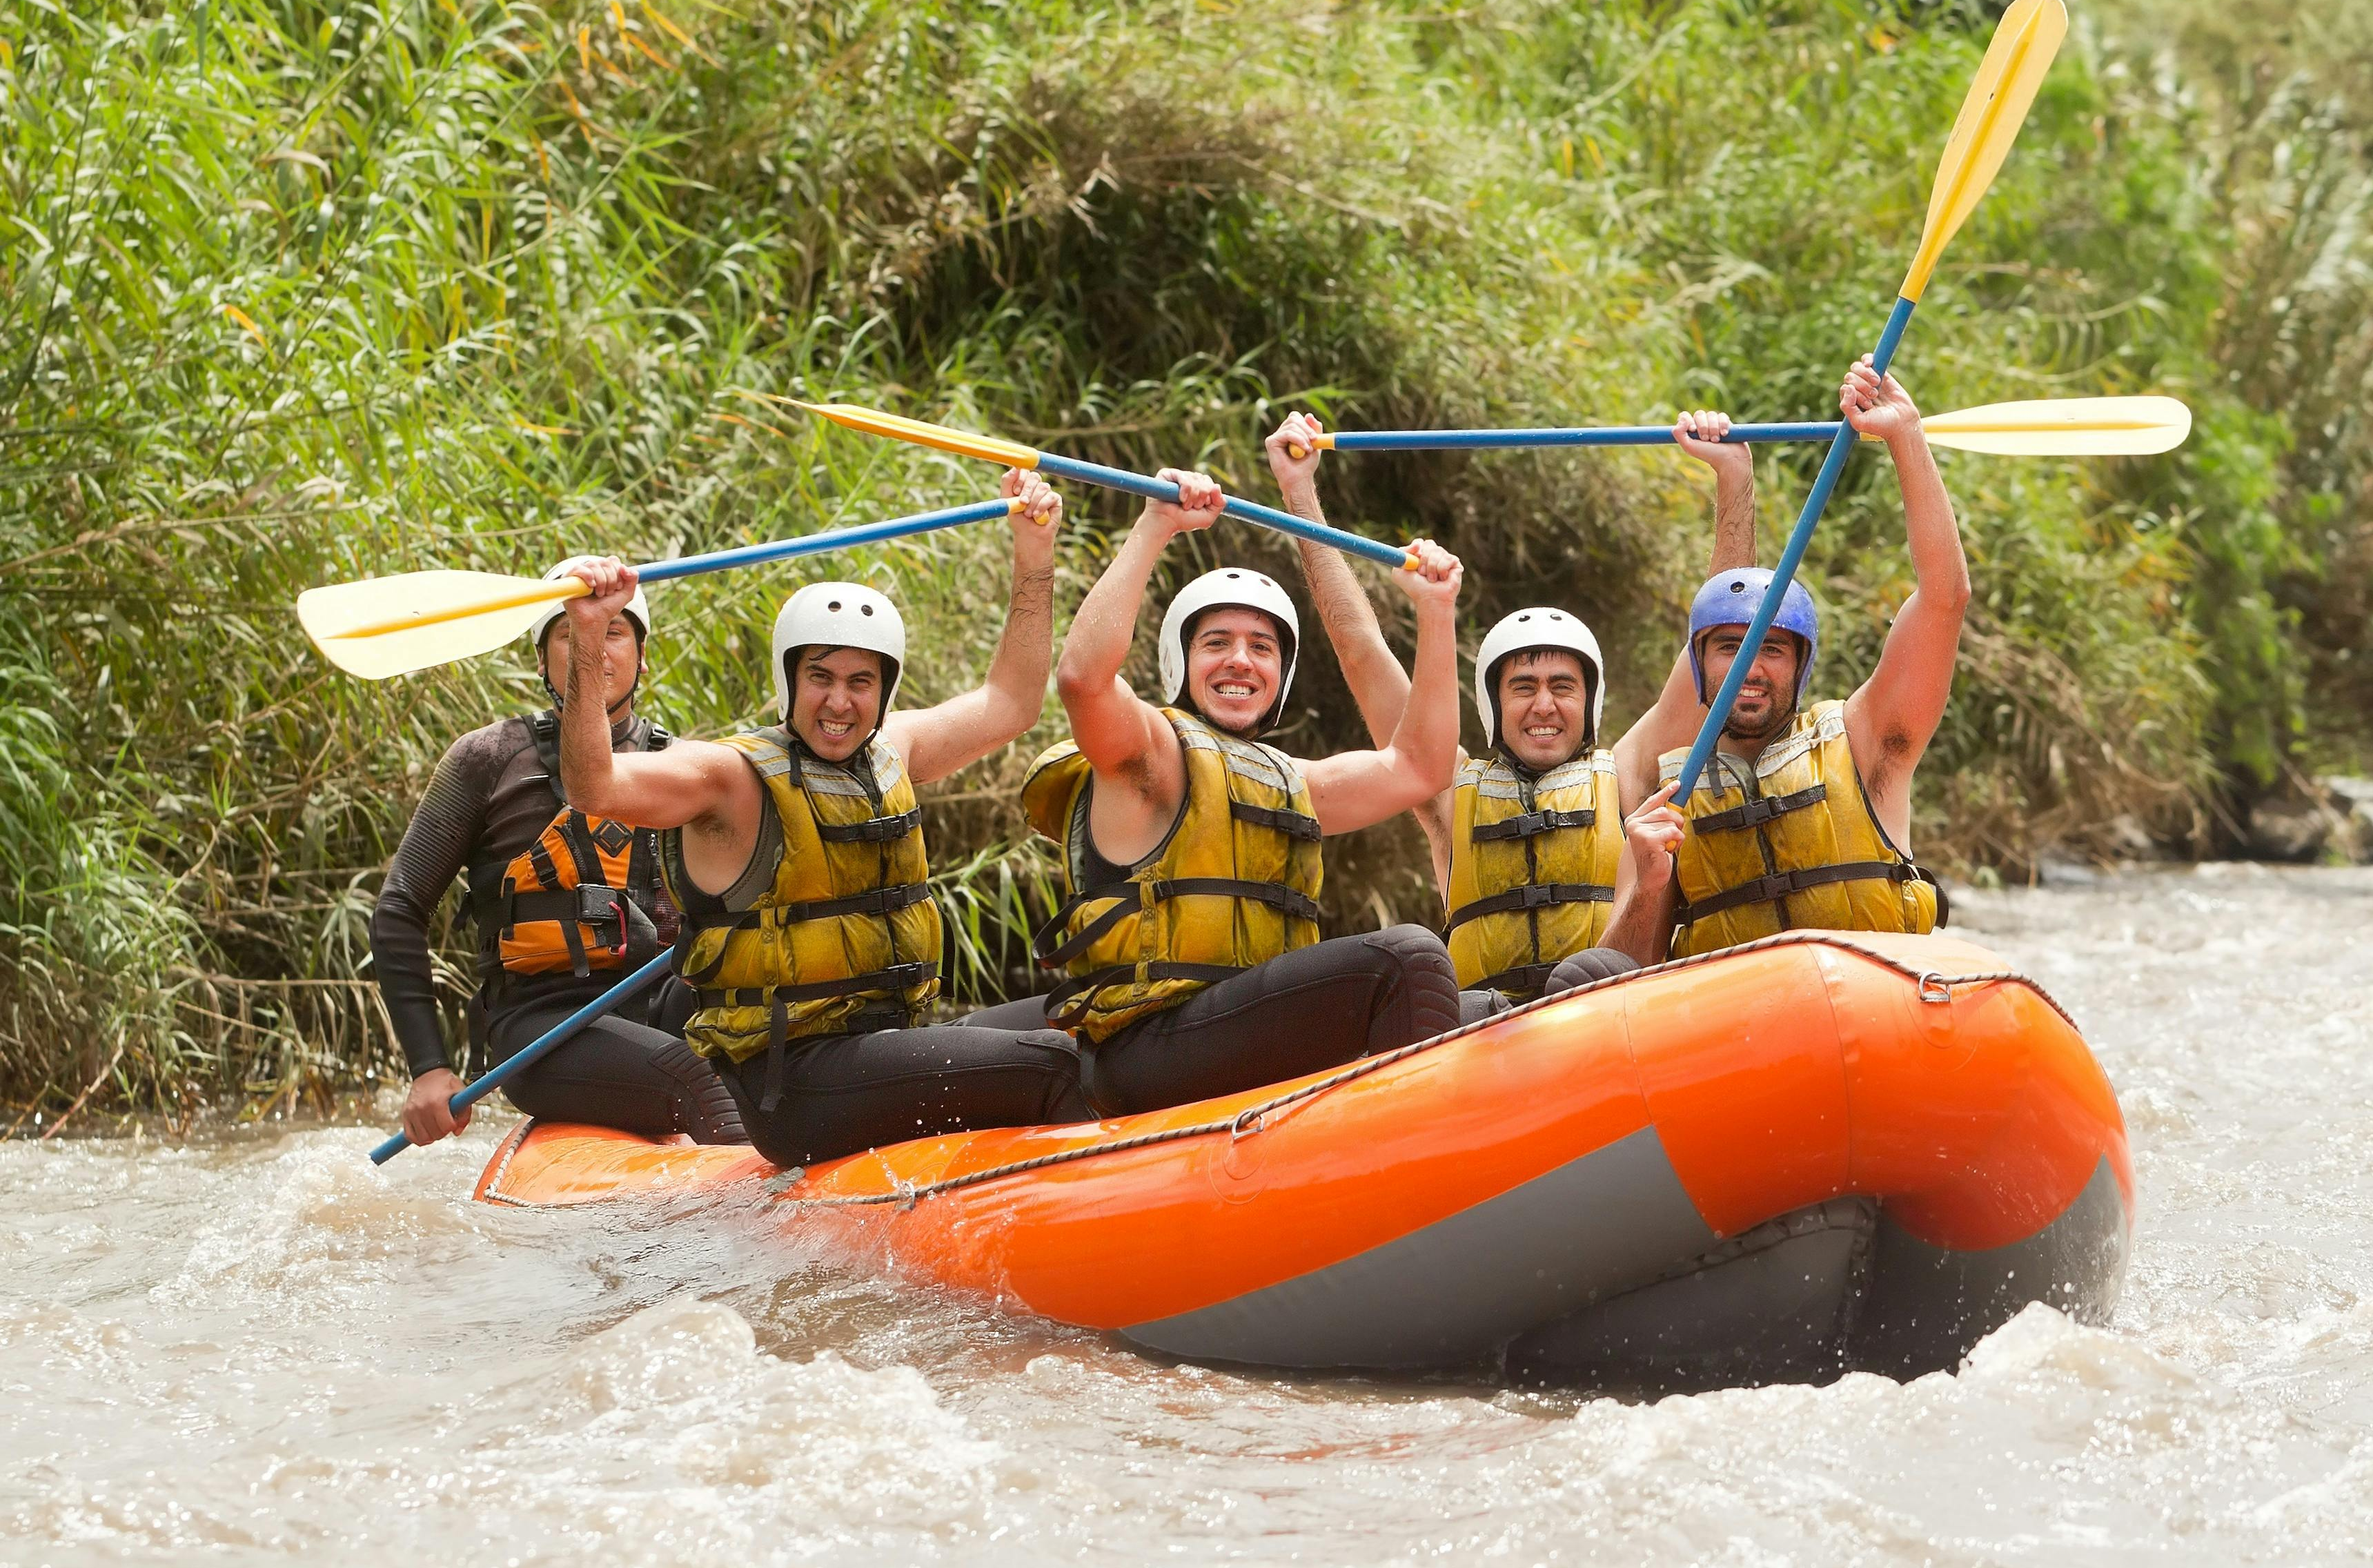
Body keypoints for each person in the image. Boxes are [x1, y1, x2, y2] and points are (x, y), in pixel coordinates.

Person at [547, 470, 1090, 1170]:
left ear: (884, 691)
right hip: (798, 1091)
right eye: (821, 678)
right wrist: (589, 635)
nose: (840, 702)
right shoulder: (730, 778)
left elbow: (1012, 701)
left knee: (1084, 1013)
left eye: (860, 682)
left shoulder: (894, 750)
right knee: (1052, 1064)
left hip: (877, 1049)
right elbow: (593, 785)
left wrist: (1033, 556)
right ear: (789, 682)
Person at [1257, 406, 1757, 1012]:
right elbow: (1360, 649)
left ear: (1590, 700)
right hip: (1480, 1037)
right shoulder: (1444, 785)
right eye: (1523, 687)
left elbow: (1724, 629)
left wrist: (1734, 477)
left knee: (1587, 977)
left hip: (1601, 1017)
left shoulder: (1627, 775)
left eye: (1562, 686)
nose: (1543, 704)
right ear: (1494, 704)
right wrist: (1299, 490)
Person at [1001, 468, 1466, 1115]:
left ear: (1282, 672)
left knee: (1476, 1005)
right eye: (1217, 643)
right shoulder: (1148, 753)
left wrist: (1436, 614)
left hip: (1242, 1031)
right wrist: (1155, 524)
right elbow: (1082, 678)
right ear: (1180, 662)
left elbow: (1423, 767)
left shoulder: (1292, 782)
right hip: (1148, 1045)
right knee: (1407, 959)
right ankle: (1423, 1162)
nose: (1241, 660)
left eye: (1262, 647)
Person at [1595, 356, 1969, 967]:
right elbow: (1623, 977)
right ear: (1697, 665)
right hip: (1745, 1029)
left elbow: (1944, 599)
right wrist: (1647, 885)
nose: (1748, 666)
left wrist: (1905, 435)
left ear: (1800, 665)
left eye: (1769, 648)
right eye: (1727, 648)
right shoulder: (1663, 793)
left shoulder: (1867, 741)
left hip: (1877, 1012)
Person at [373, 564, 747, 1150]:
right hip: (542, 1029)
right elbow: (400, 910)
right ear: (542, 659)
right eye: (573, 635)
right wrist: (428, 1066)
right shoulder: (488, 759)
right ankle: (762, 1229)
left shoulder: (683, 766)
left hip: (666, 1010)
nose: (595, 647)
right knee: (695, 1079)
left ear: (643, 656)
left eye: (613, 632)